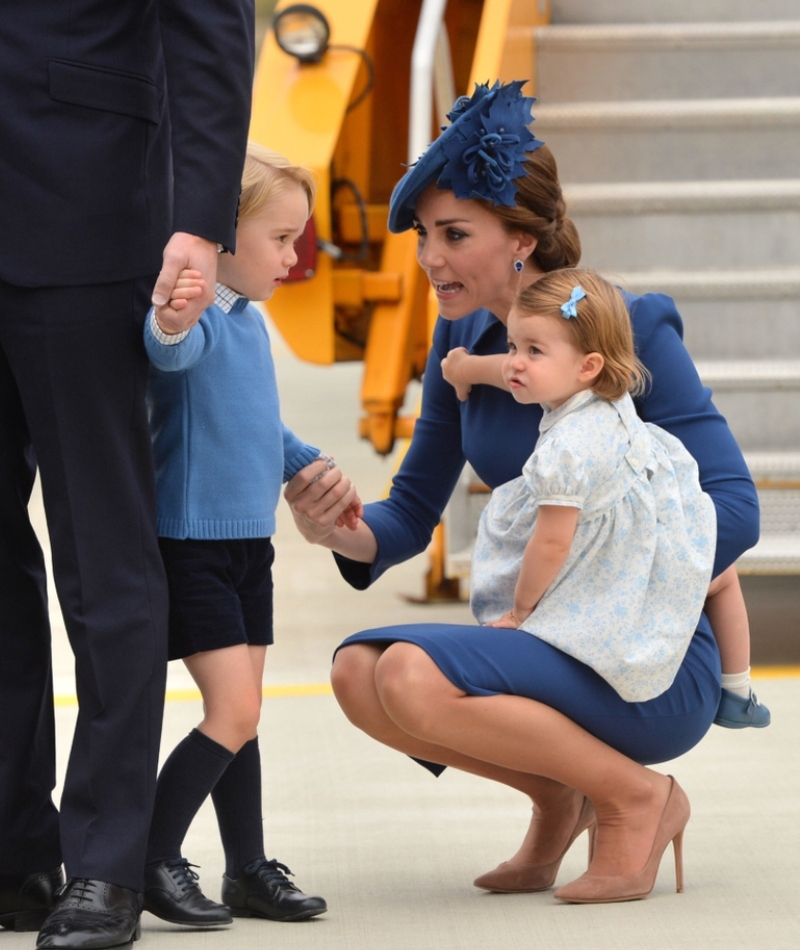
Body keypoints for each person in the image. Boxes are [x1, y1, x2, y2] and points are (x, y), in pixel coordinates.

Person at [282, 81, 761, 902]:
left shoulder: (623, 328)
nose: (429, 258)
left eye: (453, 234)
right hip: (545, 637)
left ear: (521, 239)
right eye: (425, 236)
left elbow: (737, 506)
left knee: (409, 675)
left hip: (641, 654)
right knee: (361, 673)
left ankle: (638, 798)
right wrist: (341, 531)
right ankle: (556, 796)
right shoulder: (459, 340)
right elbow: (408, 513)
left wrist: (607, 581)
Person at [0, 2, 254, 948]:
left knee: (103, 553)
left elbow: (210, 29)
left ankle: (105, 862)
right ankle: (13, 852)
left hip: (88, 211)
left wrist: (199, 221)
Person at [141, 143, 360, 929]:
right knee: (230, 712)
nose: (294, 255)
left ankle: (247, 867)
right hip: (194, 544)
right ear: (221, 236)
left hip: (247, 546)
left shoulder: (250, 324)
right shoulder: (200, 317)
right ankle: (150, 856)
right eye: (281, 238)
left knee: (246, 714)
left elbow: (256, 425)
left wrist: (309, 464)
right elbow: (168, 353)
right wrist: (172, 314)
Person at [443, 283, 770, 727]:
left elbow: (553, 543)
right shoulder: (610, 395)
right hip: (658, 514)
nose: (515, 361)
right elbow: (515, 368)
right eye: (512, 345)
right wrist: (466, 368)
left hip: (611, 548)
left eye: (533, 351)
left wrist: (521, 610)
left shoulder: (566, 449)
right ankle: (737, 689)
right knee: (721, 577)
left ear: (588, 365)